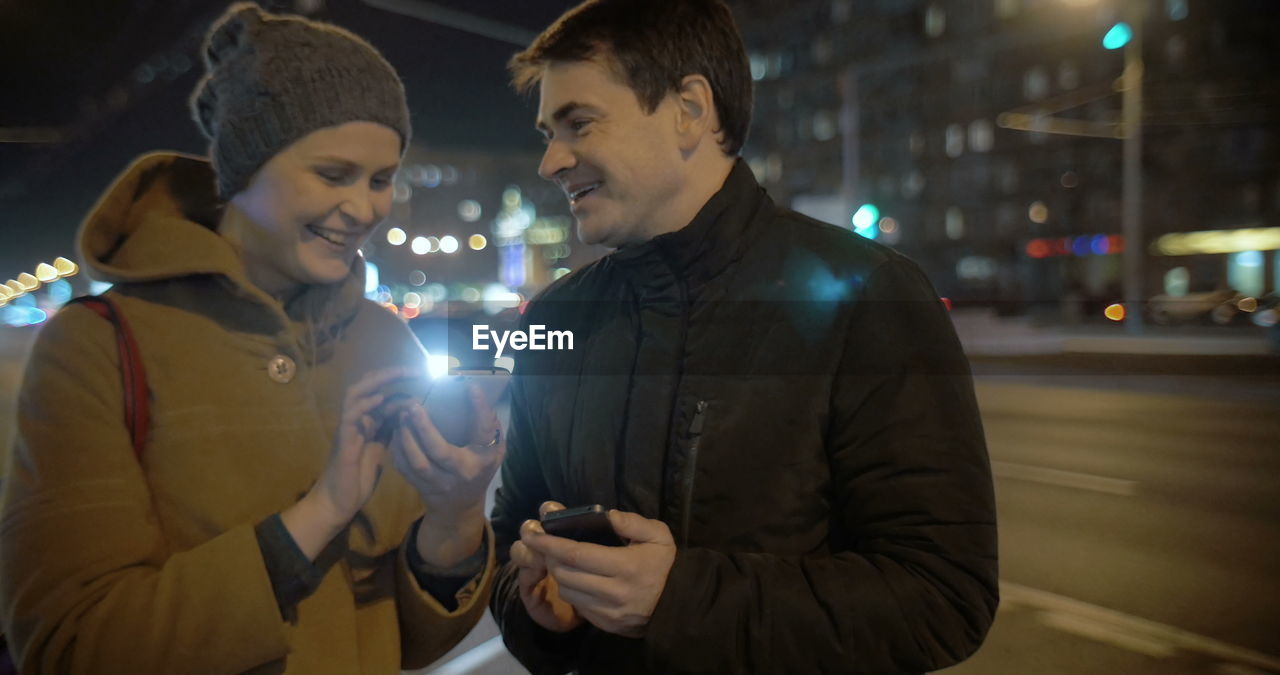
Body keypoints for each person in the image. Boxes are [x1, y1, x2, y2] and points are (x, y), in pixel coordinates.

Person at [487, 1, 999, 673]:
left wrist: (680, 598)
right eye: (548, 132)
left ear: (689, 110)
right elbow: (511, 535)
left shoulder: (870, 296)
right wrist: (541, 611)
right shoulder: (555, 319)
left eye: (579, 123)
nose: (551, 161)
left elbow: (944, 596)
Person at [0, 4, 503, 673]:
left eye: (381, 179)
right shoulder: (96, 346)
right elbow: (70, 645)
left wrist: (456, 518)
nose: (364, 208)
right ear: (245, 169)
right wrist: (318, 515)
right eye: (333, 174)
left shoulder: (384, 340)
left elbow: (412, 639)